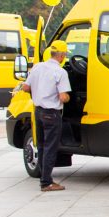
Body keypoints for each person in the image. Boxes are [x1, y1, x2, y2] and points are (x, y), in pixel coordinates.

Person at [20, 40, 71, 192]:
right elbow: (63, 97)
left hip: (38, 111)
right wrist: (69, 97)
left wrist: (37, 93)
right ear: (61, 56)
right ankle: (46, 182)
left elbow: (26, 87)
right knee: (50, 147)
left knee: (41, 145)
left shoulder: (37, 67)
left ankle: (44, 177)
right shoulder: (60, 72)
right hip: (52, 114)